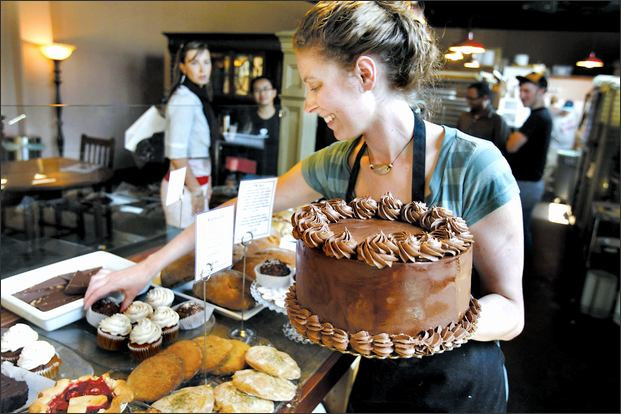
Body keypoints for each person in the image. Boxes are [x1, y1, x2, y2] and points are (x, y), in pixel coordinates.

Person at [85, 2, 524, 412]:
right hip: (376, 375)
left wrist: (416, 327)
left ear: (365, 74)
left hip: (457, 384)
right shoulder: (341, 162)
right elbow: (241, 210)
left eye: (315, 85)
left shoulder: (474, 166)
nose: (309, 103)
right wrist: (146, 268)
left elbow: (511, 311)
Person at [160, 41, 219, 228]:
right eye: (194, 63)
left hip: (195, 182)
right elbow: (177, 156)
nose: (203, 69)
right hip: (183, 184)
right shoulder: (183, 99)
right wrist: (196, 192)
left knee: (196, 247)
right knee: (182, 247)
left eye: (206, 62)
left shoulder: (197, 96)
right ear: (183, 68)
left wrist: (206, 184)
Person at [506, 72, 553, 255]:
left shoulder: (538, 117)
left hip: (526, 184)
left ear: (541, 91)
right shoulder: (539, 116)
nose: (522, 95)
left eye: (527, 90)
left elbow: (512, 145)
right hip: (529, 183)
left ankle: (522, 274)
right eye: (520, 90)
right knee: (520, 228)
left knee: (518, 231)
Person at [238, 76, 281, 176]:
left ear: (274, 92)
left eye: (266, 89)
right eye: (257, 90)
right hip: (251, 173)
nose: (262, 94)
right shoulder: (246, 118)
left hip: (278, 173)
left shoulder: (282, 117)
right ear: (253, 94)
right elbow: (240, 149)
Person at [457, 81, 510, 154]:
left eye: (472, 99)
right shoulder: (464, 117)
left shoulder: (497, 121)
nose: (468, 102)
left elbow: (500, 150)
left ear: (485, 98)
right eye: (467, 98)